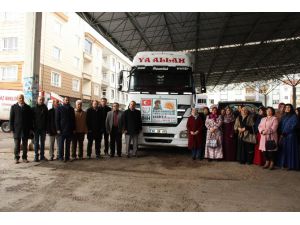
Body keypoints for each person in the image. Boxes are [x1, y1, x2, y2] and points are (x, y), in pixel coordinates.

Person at [9, 94, 33, 164]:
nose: (21, 99)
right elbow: (11, 119)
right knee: (17, 145)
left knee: (25, 145)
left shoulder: (28, 107)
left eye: (22, 98)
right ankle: (16, 158)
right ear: (17, 99)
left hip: (25, 130)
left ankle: (24, 158)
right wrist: (12, 129)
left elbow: (30, 119)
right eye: (20, 98)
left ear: (23, 99)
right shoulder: (14, 107)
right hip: (17, 130)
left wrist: (31, 129)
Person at [278, 104, 299, 170]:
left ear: (291, 108)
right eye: (286, 107)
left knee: (290, 151)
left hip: (291, 136)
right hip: (284, 136)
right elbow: (281, 125)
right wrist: (281, 133)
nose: (287, 108)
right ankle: (285, 164)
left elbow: (293, 126)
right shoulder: (284, 116)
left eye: (289, 107)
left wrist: (285, 132)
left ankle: (291, 165)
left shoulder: (294, 116)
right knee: (284, 151)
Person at [55, 96, 75, 162]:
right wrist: (58, 129)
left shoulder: (72, 109)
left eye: (68, 100)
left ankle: (67, 157)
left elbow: (73, 120)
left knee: (68, 145)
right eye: (66, 100)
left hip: (69, 130)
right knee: (61, 145)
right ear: (63, 101)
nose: (67, 101)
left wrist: (74, 129)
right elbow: (57, 119)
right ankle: (61, 157)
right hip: (61, 130)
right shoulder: (59, 108)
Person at [32, 96, 48, 162]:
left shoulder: (45, 108)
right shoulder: (33, 108)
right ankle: (36, 156)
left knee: (42, 143)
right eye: (40, 100)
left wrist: (46, 128)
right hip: (36, 129)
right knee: (36, 143)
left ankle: (42, 156)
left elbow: (47, 119)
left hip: (43, 129)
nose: (41, 101)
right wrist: (32, 128)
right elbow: (31, 119)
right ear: (37, 100)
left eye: (42, 100)